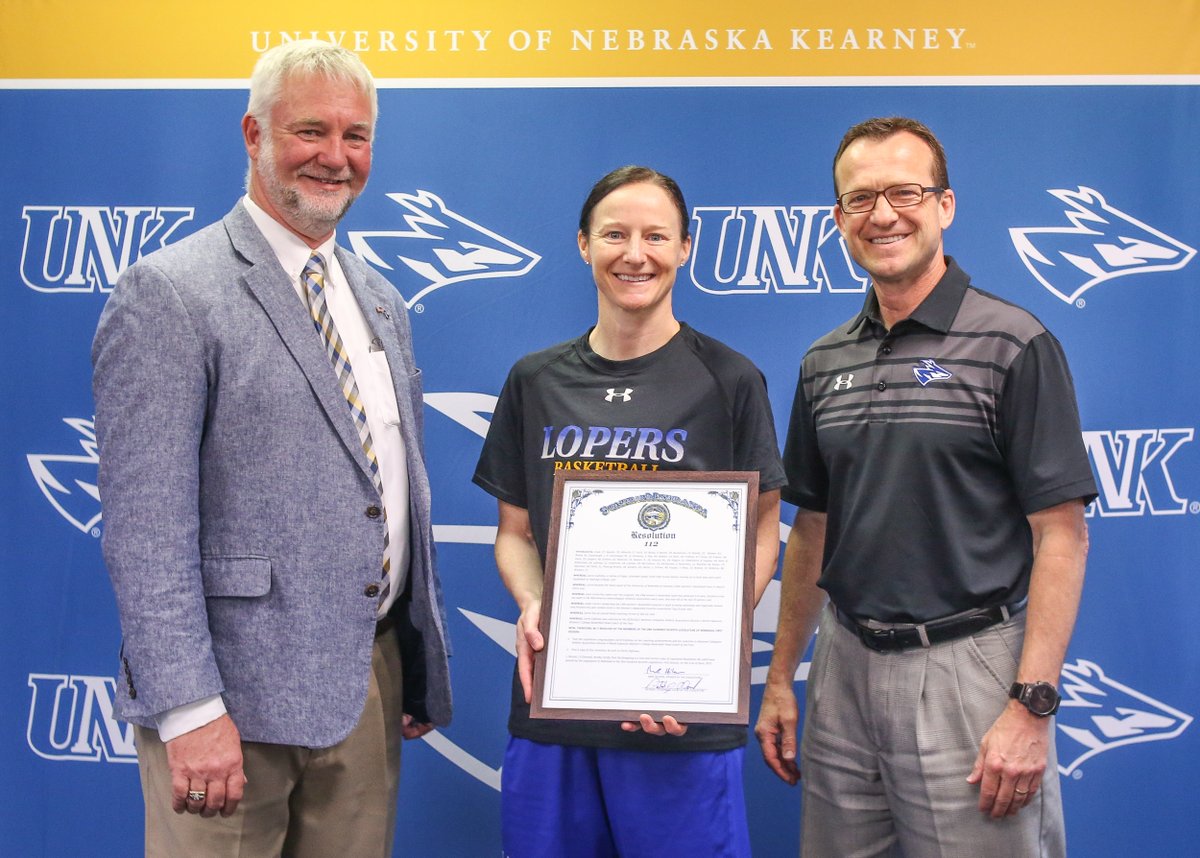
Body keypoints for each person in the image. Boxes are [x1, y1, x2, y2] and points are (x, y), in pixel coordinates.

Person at [91, 40, 451, 857]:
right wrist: (188, 709)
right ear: (253, 135)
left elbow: (385, 486)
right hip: (230, 705)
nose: (335, 157)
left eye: (356, 136)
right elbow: (146, 529)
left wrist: (414, 660)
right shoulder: (170, 292)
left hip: (369, 682)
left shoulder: (380, 298)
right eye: (310, 132)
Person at [755, 116, 1097, 857]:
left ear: (945, 205)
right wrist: (783, 677)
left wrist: (1032, 706)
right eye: (860, 198)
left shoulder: (1014, 343)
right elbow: (814, 526)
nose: (883, 214)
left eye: (904, 192)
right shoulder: (823, 362)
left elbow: (1061, 534)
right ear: (838, 219)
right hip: (844, 665)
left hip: (970, 671)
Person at [473, 165, 786, 858]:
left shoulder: (730, 380)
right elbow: (514, 535)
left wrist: (709, 638)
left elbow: (764, 529)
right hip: (556, 705)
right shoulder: (535, 380)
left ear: (685, 248)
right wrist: (533, 603)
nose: (634, 254)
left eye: (656, 236)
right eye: (615, 234)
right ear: (584, 245)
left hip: (680, 714)